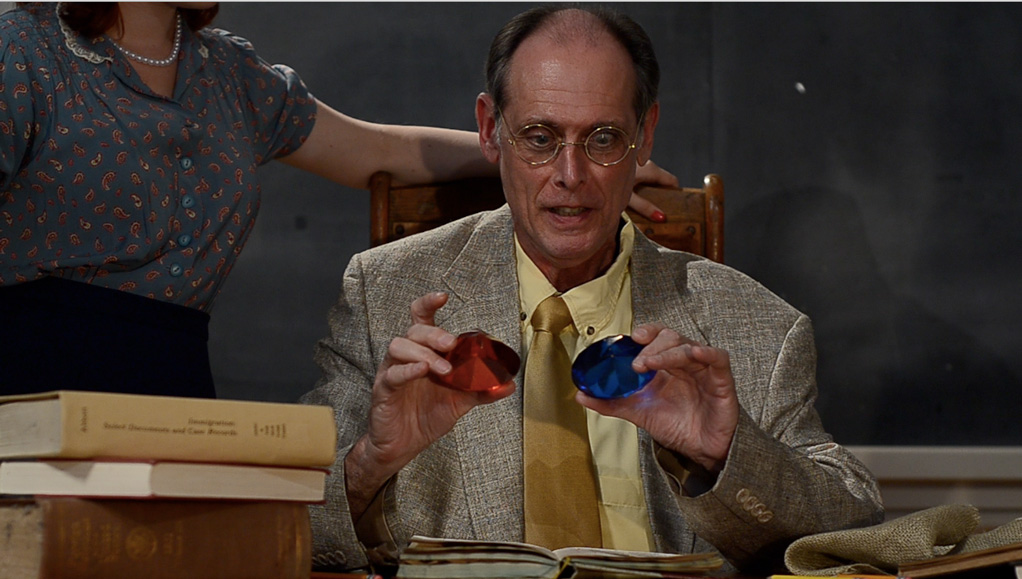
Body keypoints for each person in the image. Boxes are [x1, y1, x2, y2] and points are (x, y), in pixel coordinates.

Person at [300, 4, 883, 575]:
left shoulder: (757, 326)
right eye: (539, 138)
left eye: (603, 139)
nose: (570, 176)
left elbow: (852, 536)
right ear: (490, 130)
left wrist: (727, 453)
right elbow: (289, 522)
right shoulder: (383, 293)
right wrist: (370, 463)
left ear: (644, 135)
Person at [0, 2, 674, 398]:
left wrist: (567, 158)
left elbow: (375, 150)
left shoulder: (230, 73)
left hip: (171, 385)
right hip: (26, 381)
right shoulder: (22, 51)